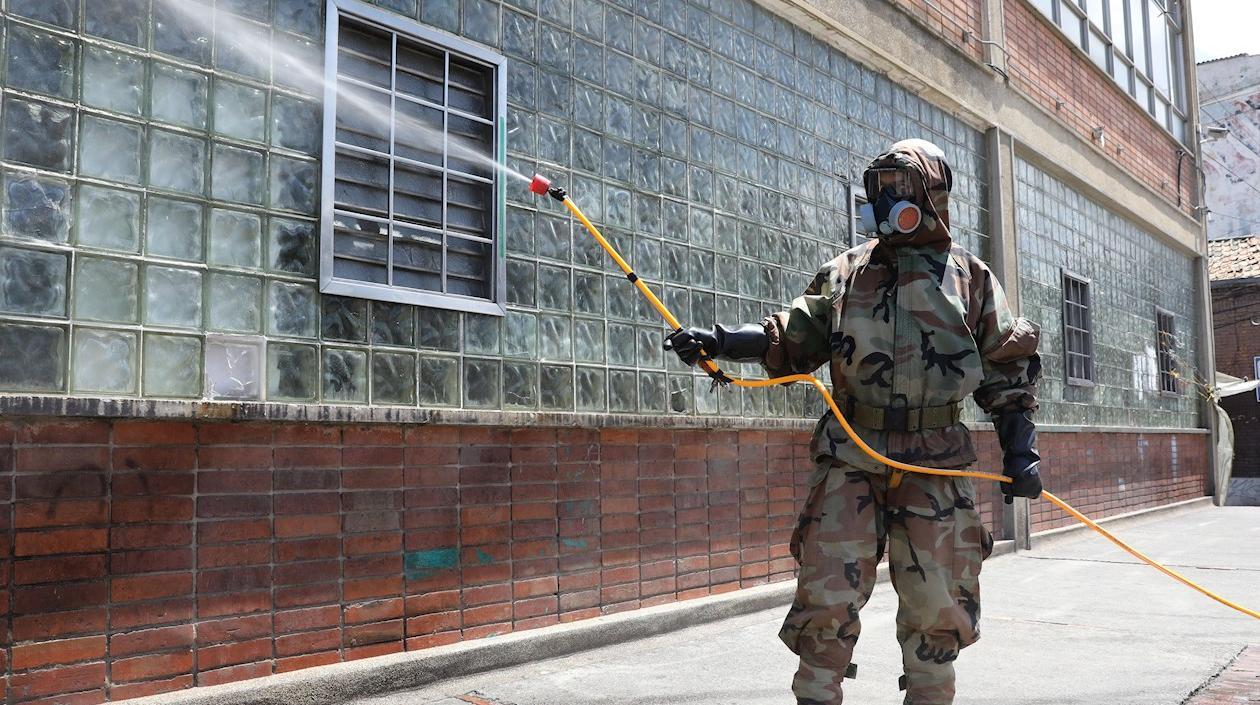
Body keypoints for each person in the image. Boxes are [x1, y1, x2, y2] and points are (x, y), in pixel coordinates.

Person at [664, 139, 1043, 705]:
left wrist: (1022, 453)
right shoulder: (847, 271)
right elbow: (793, 334)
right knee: (826, 593)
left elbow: (1008, 370)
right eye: (879, 190)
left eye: (901, 189)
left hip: (936, 459)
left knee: (938, 602)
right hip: (851, 453)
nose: (887, 202)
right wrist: (720, 341)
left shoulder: (970, 277)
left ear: (932, 196)